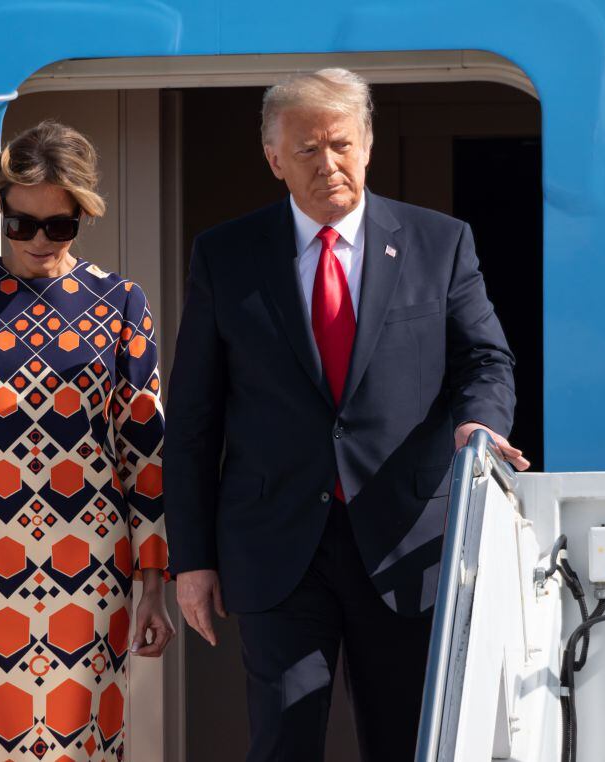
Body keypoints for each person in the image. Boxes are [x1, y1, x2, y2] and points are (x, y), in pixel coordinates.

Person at [164, 69, 529, 762]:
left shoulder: (439, 243)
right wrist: (193, 558)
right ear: (274, 159)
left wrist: (481, 426)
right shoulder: (226, 254)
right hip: (276, 544)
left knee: (403, 741)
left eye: (341, 144)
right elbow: (192, 418)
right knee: (284, 737)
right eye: (307, 150)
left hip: (404, 539)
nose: (328, 164)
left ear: (366, 143)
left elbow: (486, 361)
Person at [0, 120, 172, 762]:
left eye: (58, 225)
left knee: (87, 736)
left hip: (94, 565)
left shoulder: (121, 302)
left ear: (81, 215)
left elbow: (144, 453)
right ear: (1, 209)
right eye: (22, 225)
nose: (39, 241)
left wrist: (155, 576)